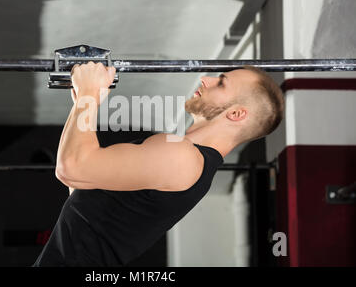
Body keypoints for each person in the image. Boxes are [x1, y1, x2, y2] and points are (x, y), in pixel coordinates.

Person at [33, 61, 284, 266]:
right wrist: (83, 102)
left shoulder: (182, 157)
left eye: (221, 82)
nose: (205, 79)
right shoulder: (185, 159)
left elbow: (71, 168)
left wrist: (88, 96)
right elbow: (79, 183)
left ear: (236, 114)